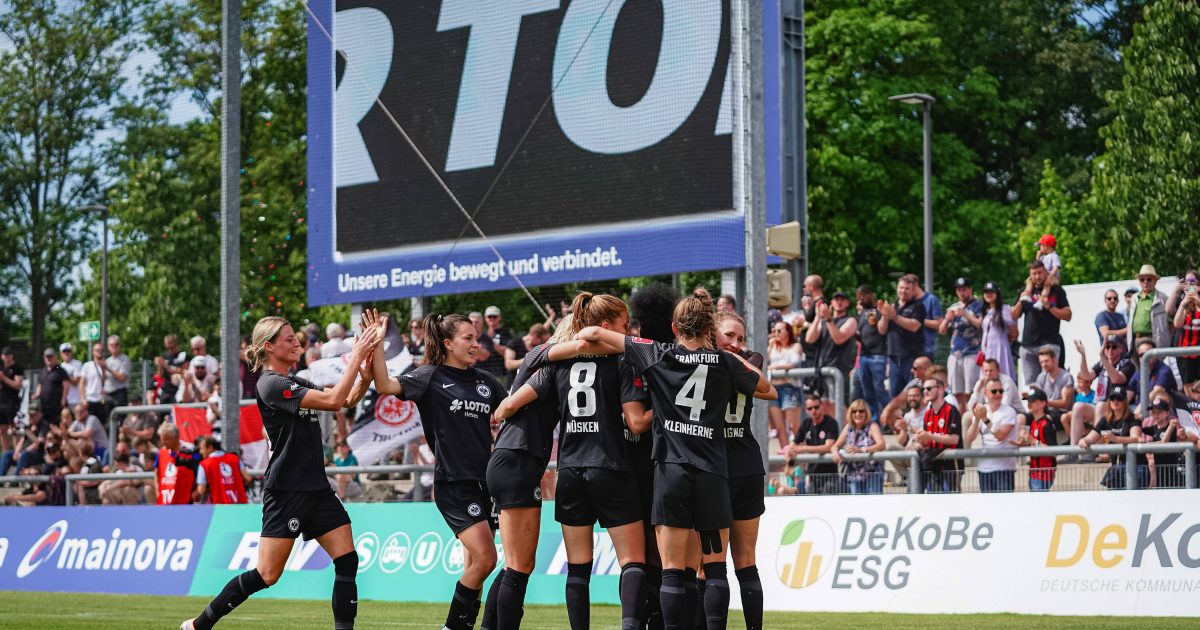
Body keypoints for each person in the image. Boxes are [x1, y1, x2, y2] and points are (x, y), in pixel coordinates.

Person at [573, 288, 770, 630]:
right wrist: (733, 356)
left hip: (672, 471)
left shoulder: (657, 353)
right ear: (708, 328)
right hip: (712, 474)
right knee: (715, 569)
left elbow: (592, 333)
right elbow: (766, 388)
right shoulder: (724, 361)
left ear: (675, 328)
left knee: (672, 572)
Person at [181, 315, 377, 630]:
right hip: (287, 491)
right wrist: (356, 356)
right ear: (269, 346)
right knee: (267, 575)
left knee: (347, 559)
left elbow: (347, 399)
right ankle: (199, 624)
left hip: (317, 488)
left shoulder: (296, 382)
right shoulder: (270, 384)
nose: (296, 342)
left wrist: (364, 376)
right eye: (288, 338)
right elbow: (334, 399)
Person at [495, 293, 647, 630]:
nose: (628, 332)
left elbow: (509, 405)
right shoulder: (624, 358)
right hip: (610, 465)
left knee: (578, 567)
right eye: (624, 326)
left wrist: (503, 412)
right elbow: (634, 419)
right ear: (605, 326)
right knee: (633, 561)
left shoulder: (557, 362)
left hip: (569, 471)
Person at [368, 310, 506, 630]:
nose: (476, 344)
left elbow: (511, 409)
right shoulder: (429, 376)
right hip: (453, 483)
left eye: (476, 338)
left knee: (475, 565)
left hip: (486, 483)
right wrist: (377, 346)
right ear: (448, 343)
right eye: (468, 338)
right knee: (486, 559)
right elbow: (385, 385)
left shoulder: (485, 381)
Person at [487, 314, 609, 630]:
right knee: (519, 565)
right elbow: (509, 405)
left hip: (515, 459)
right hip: (517, 459)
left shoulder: (549, 365)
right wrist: (501, 412)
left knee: (516, 564)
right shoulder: (547, 364)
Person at [712, 309, 773, 630]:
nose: (736, 343)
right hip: (743, 461)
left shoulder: (705, 362)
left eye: (740, 338)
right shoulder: (747, 364)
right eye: (729, 336)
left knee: (715, 564)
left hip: (719, 466)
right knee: (742, 561)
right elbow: (767, 387)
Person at [1068, 335, 1134, 454]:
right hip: (1101, 407)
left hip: (1118, 408)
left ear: (1121, 349)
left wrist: (1103, 358)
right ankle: (1073, 451)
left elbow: (1117, 379)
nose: (1110, 350)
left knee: (1101, 405)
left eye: (1114, 347)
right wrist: (1083, 355)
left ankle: (1096, 451)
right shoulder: (1101, 363)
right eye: (1107, 347)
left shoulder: (1127, 364)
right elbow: (1086, 376)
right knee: (1078, 406)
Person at [1013, 261, 1072, 387]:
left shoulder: (1056, 290)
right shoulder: (1025, 290)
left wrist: (1049, 307)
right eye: (1034, 274)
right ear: (1030, 275)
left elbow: (1068, 315)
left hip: (1049, 343)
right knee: (1032, 386)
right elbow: (1014, 316)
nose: (1037, 276)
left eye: (1040, 273)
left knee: (1051, 383)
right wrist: (1021, 300)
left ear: (1045, 272)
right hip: (1028, 346)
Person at [1078, 384, 1146, 489]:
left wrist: (1115, 438)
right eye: (1112, 398)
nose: (1115, 401)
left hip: (1135, 466)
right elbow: (1091, 437)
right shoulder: (1105, 420)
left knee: (1134, 497)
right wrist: (1084, 441)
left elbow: (1136, 438)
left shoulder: (1132, 418)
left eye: (1119, 398)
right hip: (1116, 467)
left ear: (1125, 401)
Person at [965, 377, 1019, 492]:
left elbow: (1000, 436)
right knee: (986, 503)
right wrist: (977, 419)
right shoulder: (983, 410)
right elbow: (969, 438)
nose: (998, 394)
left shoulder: (1009, 411)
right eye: (994, 391)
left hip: (1004, 468)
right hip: (984, 468)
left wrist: (985, 418)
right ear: (985, 393)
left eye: (1001, 391)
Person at [805, 290, 857, 406]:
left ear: (847, 303)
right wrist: (818, 317)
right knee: (823, 407)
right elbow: (809, 339)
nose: (839, 302)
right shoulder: (823, 322)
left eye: (842, 300)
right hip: (821, 371)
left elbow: (839, 338)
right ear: (832, 303)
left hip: (838, 372)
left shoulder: (850, 321)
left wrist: (828, 318)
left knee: (838, 407)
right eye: (836, 300)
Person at [913, 375, 963, 493]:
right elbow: (928, 441)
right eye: (924, 389)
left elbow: (954, 439)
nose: (925, 391)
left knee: (950, 500)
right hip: (931, 467)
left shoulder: (951, 410)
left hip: (949, 467)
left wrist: (929, 436)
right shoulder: (928, 413)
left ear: (940, 389)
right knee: (932, 501)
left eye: (929, 388)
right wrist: (920, 441)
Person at [940, 277, 985, 409]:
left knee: (971, 391)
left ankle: (972, 416)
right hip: (955, 353)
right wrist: (947, 320)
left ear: (970, 289)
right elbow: (941, 331)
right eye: (959, 290)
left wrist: (966, 315)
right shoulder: (953, 307)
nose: (962, 292)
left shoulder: (979, 305)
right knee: (956, 392)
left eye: (964, 289)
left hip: (972, 352)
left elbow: (980, 325)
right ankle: (960, 418)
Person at [879, 274, 927, 398]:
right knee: (894, 395)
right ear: (897, 288)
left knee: (914, 393)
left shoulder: (918, 306)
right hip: (894, 358)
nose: (903, 291)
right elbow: (881, 330)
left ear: (913, 290)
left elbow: (914, 326)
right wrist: (885, 316)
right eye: (901, 288)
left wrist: (895, 317)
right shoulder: (892, 307)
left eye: (907, 288)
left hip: (911, 358)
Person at [786, 393, 839, 495]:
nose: (813, 411)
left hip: (829, 474)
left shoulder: (831, 423)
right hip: (812, 474)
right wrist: (789, 450)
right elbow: (794, 442)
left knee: (828, 502)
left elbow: (828, 447)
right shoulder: (806, 423)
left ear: (822, 406)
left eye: (816, 407)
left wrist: (803, 448)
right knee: (812, 503)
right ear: (806, 410)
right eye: (810, 408)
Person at [831, 400, 884, 494]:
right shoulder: (849, 427)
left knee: (874, 502)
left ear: (866, 413)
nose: (857, 414)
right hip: (854, 475)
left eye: (861, 411)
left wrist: (861, 450)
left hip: (872, 474)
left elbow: (881, 445)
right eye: (854, 411)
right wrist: (835, 451)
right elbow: (835, 445)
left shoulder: (872, 426)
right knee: (856, 503)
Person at [766, 320, 802, 450]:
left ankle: (801, 455)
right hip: (773, 389)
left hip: (789, 388)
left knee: (794, 426)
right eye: (774, 331)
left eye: (779, 330)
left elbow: (794, 363)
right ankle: (786, 455)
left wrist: (774, 367)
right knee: (779, 428)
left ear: (788, 331)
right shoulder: (773, 347)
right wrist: (770, 347)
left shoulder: (795, 346)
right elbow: (763, 363)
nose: (776, 333)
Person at [855, 285, 888, 421]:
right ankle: (875, 421)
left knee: (879, 389)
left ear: (870, 295)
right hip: (864, 356)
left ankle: (889, 416)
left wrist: (878, 321)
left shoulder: (878, 311)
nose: (860, 300)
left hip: (878, 355)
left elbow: (883, 331)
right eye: (858, 298)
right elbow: (860, 335)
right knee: (868, 392)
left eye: (863, 297)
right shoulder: (861, 314)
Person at [1032, 346, 1075, 441]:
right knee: (1021, 417)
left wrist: (1045, 402)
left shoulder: (1066, 377)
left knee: (1045, 418)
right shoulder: (1041, 377)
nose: (1044, 364)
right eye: (1041, 362)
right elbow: (1037, 396)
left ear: (1054, 359)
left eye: (1046, 361)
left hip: (1062, 413)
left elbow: (1065, 403)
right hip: (1046, 411)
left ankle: (1050, 448)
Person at [1019, 386, 1057, 491]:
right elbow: (1035, 444)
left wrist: (1032, 441)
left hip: (1044, 474)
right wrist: (1022, 443)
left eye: (1033, 401)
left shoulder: (1047, 424)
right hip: (1034, 473)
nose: (1029, 404)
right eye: (1028, 401)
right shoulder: (1034, 422)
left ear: (1043, 403)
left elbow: (1053, 451)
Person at [195, 435, 251, 504]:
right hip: (240, 504)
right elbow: (248, 478)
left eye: (202, 448)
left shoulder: (204, 464)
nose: (200, 452)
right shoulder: (235, 458)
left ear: (210, 447)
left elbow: (201, 490)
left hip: (219, 506)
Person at [1142, 398, 1184, 489]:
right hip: (1159, 469)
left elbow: (1164, 443)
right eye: (1153, 412)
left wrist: (1150, 444)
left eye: (1159, 412)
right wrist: (1137, 419)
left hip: (1171, 469)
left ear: (1167, 413)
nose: (1156, 415)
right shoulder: (1153, 428)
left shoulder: (1171, 427)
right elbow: (1138, 429)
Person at [1127, 264, 1171, 351]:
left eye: (1149, 279)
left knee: (1153, 360)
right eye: (1142, 279)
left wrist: (1164, 338)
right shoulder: (1134, 297)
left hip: (1154, 340)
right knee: (1135, 360)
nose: (1145, 282)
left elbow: (1172, 323)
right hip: (1136, 339)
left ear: (1155, 281)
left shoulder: (1163, 298)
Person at [979, 282, 1018, 379]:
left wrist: (1008, 339)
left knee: (1002, 376)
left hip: (1000, 349)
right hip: (987, 350)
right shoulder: (986, 310)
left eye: (991, 292)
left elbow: (1014, 333)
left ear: (997, 293)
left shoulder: (1004, 309)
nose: (988, 294)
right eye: (986, 292)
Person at [154, 423, 197, 505]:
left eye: (166, 439)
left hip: (186, 501)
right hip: (165, 501)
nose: (163, 442)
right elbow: (156, 472)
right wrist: (157, 491)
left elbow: (201, 469)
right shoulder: (161, 452)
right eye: (162, 439)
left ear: (176, 437)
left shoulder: (191, 450)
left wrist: (196, 492)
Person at [1171, 270, 1200, 384]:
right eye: (1187, 281)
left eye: (1192, 280)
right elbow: (1177, 324)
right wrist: (1183, 304)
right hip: (1185, 353)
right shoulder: (1183, 300)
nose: (1189, 283)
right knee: (1188, 386)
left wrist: (1197, 300)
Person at [1129, 339, 1178, 406]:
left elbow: (1153, 395)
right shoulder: (1139, 372)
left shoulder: (1164, 371)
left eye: (1148, 354)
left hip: (1158, 409)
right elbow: (1129, 393)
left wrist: (1136, 412)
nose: (1145, 357)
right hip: (1139, 407)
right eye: (1141, 355)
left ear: (1155, 354)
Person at [909, 275, 944, 359]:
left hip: (926, 349)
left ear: (916, 285)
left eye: (908, 288)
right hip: (909, 349)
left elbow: (940, 324)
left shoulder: (931, 300)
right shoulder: (908, 301)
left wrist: (919, 321)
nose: (906, 291)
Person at [35, 348, 70, 429]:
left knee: (59, 424)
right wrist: (36, 394)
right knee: (46, 425)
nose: (49, 359)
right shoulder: (43, 370)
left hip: (57, 405)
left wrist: (63, 399)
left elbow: (66, 385)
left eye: (50, 357)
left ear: (55, 357)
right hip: (45, 405)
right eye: (47, 357)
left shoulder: (60, 370)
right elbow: (40, 384)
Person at [0, 347, 23, 457]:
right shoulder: (1, 368)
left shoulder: (17, 368)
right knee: (2, 430)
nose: (7, 357)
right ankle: (5, 454)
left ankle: (16, 454)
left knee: (14, 429)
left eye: (9, 355)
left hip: (12, 402)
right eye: (5, 355)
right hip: (2, 402)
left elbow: (18, 385)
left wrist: (4, 378)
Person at [79, 342, 108, 422]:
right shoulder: (87, 366)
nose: (100, 352)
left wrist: (104, 369)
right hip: (90, 399)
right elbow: (82, 383)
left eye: (102, 350)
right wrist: (82, 399)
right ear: (93, 352)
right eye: (97, 350)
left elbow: (105, 382)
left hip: (101, 400)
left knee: (102, 423)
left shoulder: (107, 365)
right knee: (90, 423)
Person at [104, 335, 132, 409]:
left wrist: (108, 368)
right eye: (112, 345)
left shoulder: (125, 359)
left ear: (120, 346)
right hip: (108, 394)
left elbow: (122, 378)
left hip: (119, 394)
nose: (114, 346)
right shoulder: (107, 361)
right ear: (108, 347)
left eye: (116, 344)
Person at [60, 343, 83, 409]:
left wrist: (65, 375)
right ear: (61, 353)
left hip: (76, 400)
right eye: (64, 351)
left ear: (71, 352)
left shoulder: (77, 364)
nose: (66, 353)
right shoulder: (61, 366)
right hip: (64, 400)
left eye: (68, 351)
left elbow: (76, 381)